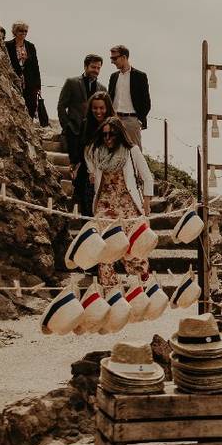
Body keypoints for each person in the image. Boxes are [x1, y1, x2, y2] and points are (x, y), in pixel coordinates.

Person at [85, 116, 154, 287]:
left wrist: (146, 204)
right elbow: (88, 158)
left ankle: (141, 281)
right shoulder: (96, 153)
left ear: (120, 134)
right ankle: (110, 291)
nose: (108, 138)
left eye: (112, 134)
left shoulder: (132, 151)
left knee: (134, 248)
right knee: (105, 251)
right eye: (105, 134)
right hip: (104, 206)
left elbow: (147, 178)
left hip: (128, 205)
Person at [58, 55, 106, 215]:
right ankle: (77, 198)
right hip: (75, 132)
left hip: (92, 136)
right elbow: (61, 105)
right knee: (76, 164)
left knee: (88, 167)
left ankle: (83, 201)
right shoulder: (72, 82)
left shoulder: (102, 88)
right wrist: (67, 126)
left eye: (99, 68)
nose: (96, 71)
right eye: (93, 67)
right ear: (86, 66)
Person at [108, 45, 151, 148]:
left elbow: (146, 102)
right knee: (114, 150)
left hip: (132, 120)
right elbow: (110, 97)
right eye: (111, 58)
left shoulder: (140, 76)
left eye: (114, 58)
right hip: (115, 119)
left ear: (124, 57)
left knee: (135, 152)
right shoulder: (113, 77)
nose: (112, 61)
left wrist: (139, 120)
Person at [5, 21, 42, 118]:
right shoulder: (7, 45)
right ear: (15, 32)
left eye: (26, 31)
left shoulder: (30, 46)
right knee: (16, 104)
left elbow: (35, 66)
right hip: (14, 80)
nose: (24, 33)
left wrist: (38, 86)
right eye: (21, 31)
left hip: (30, 81)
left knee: (32, 105)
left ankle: (29, 123)